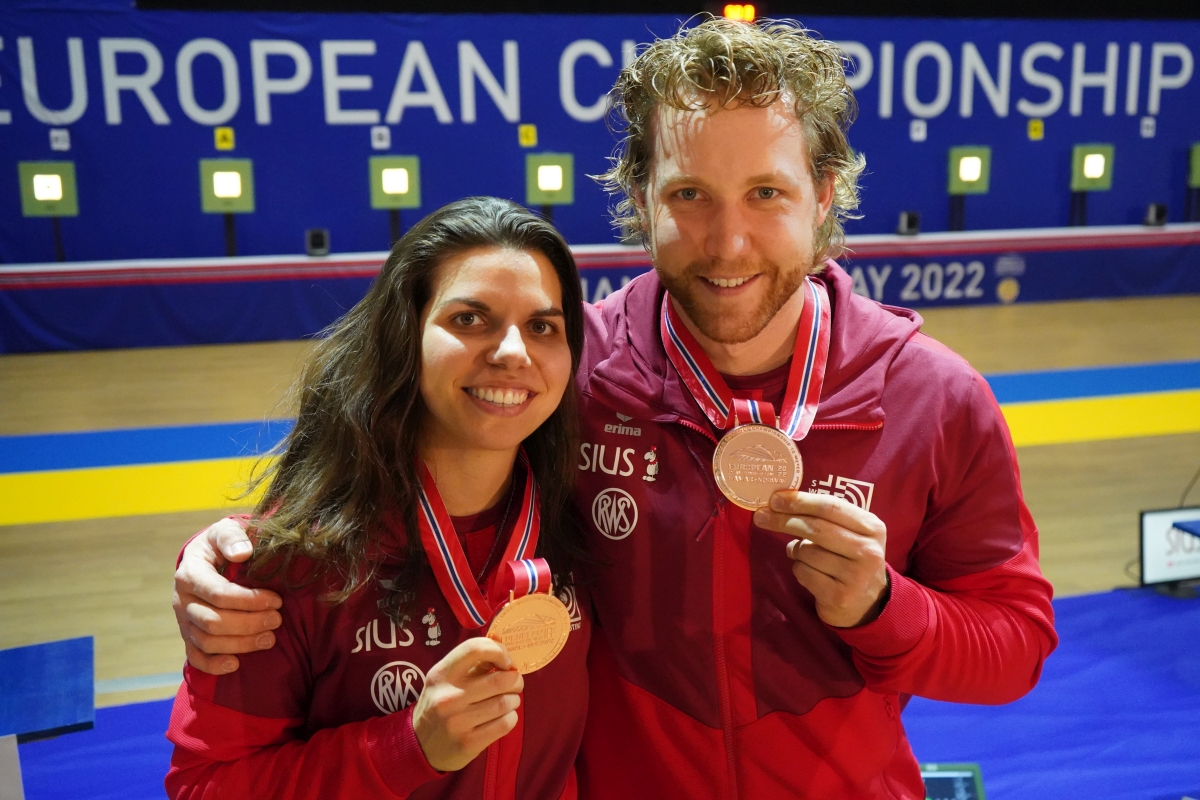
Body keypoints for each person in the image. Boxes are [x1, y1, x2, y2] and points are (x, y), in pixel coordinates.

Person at [173, 18, 1058, 799]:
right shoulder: (568, 371)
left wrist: (884, 608)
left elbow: (1015, 645)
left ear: (823, 195)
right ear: (639, 200)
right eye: (689, 196)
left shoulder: (936, 398)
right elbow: (397, 464)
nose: (727, 241)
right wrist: (237, 554)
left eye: (766, 194)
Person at [166, 197, 591, 800]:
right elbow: (205, 786)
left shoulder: (582, 516)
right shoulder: (278, 572)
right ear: (403, 335)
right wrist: (404, 748)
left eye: (543, 326)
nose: (513, 352)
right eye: (470, 319)